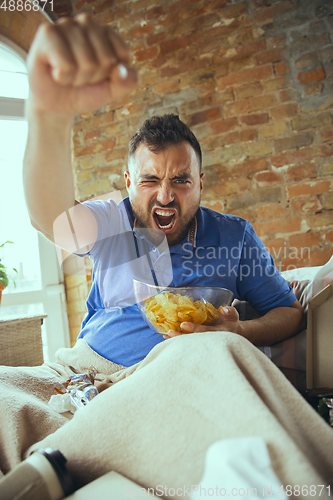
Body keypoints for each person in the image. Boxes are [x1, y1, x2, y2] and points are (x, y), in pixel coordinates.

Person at [1, 14, 332, 499]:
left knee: (212, 349)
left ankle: (60, 459)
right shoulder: (112, 219)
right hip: (80, 370)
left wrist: (238, 328)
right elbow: (52, 220)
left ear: (200, 183)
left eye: (180, 180)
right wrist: (50, 116)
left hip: (167, 376)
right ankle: (63, 447)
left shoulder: (235, 235)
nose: (165, 197)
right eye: (151, 180)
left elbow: (289, 311)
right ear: (130, 182)